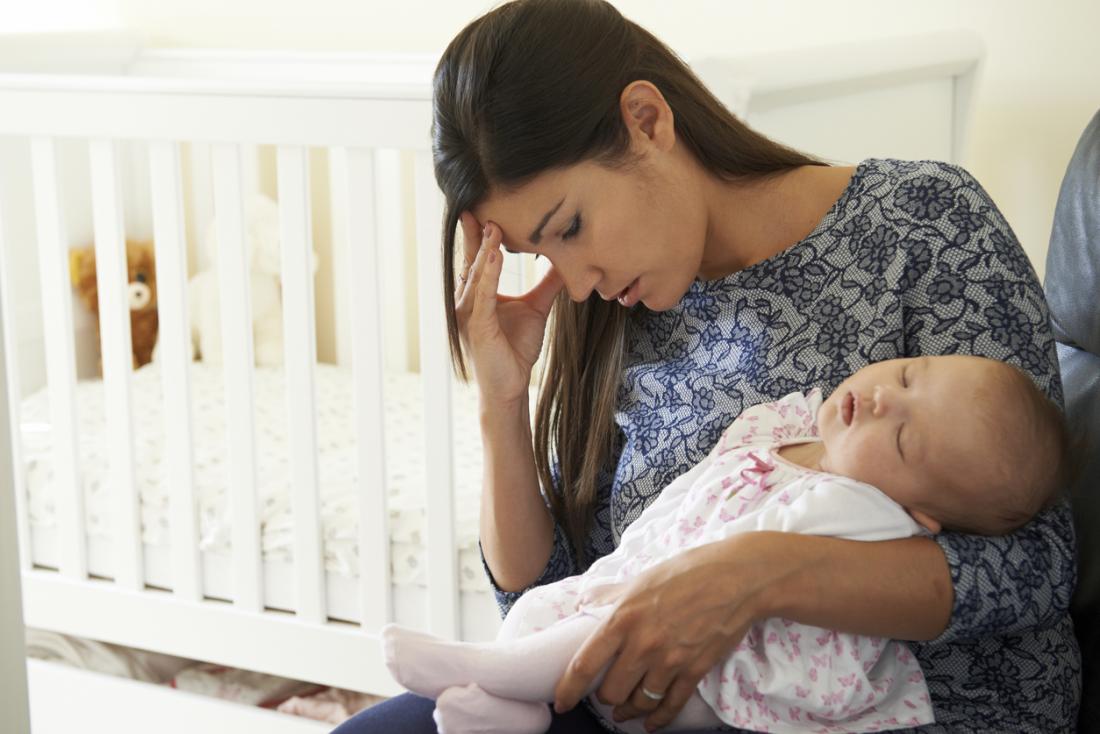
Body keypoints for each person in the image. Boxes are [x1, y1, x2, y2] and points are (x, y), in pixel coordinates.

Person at [332, 1, 1080, 732]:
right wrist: (502, 401)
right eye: (542, 252)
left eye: (571, 227)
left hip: (915, 709)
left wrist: (753, 576)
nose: (576, 279)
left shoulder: (923, 220)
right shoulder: (619, 313)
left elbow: (1037, 565)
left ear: (647, 121)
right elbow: (554, 605)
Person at [380, 355, 1069, 734]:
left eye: (905, 438)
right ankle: (506, 710)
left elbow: (1044, 566)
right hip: (635, 591)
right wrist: (502, 406)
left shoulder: (869, 513)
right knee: (542, 610)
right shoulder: (789, 425)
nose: (886, 399)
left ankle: (497, 676)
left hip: (712, 677)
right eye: (909, 374)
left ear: (922, 512)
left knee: (594, 628)